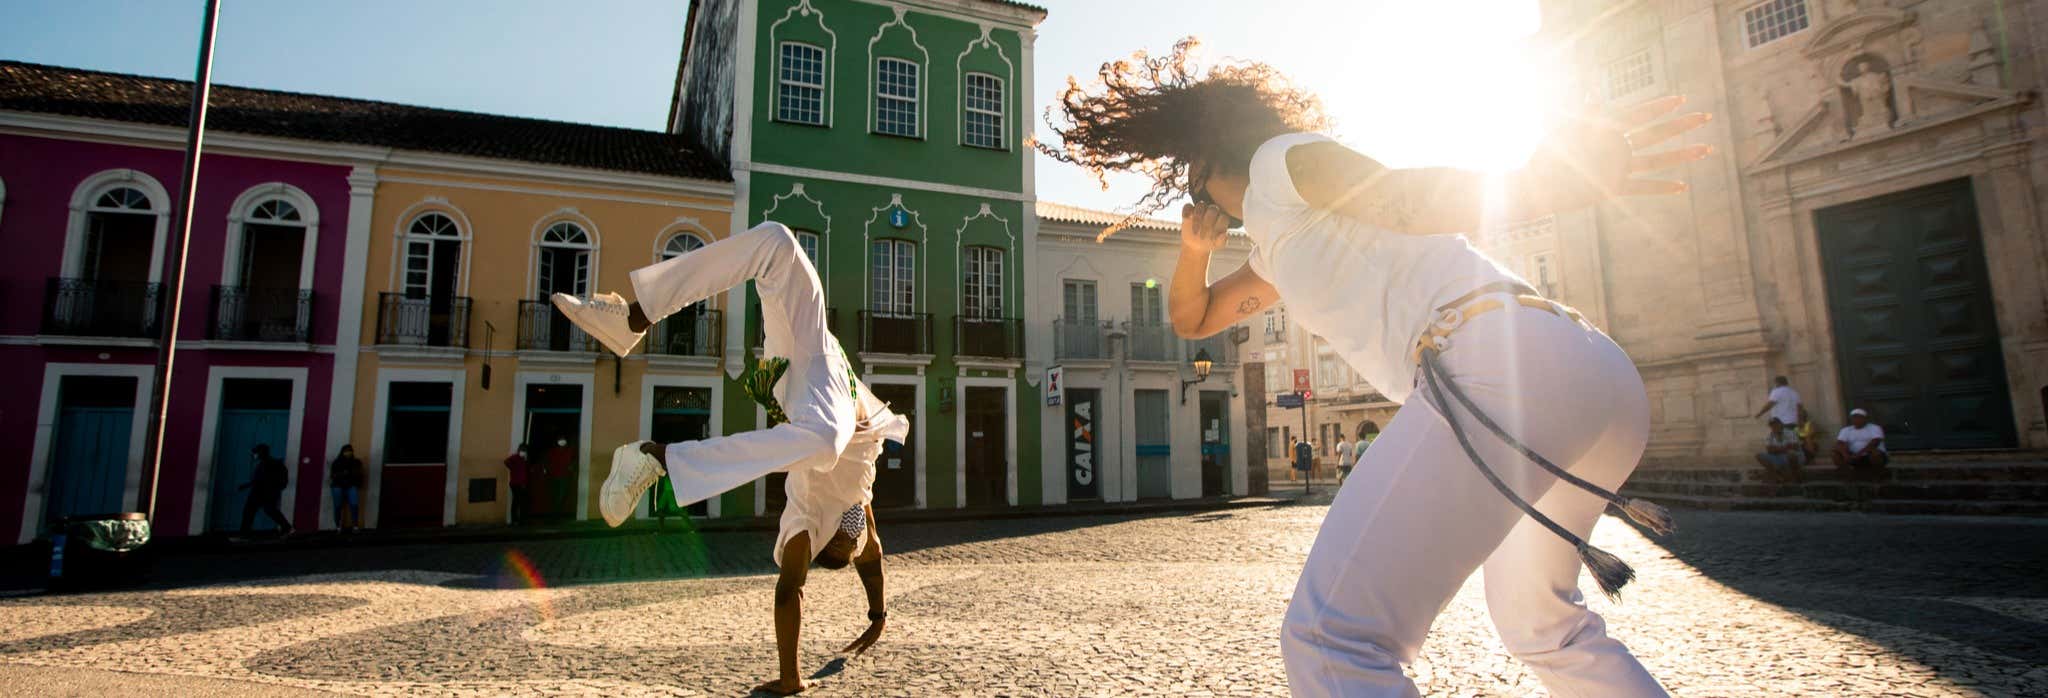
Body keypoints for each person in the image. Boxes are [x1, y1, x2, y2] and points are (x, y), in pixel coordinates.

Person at [1038, 38, 1709, 696]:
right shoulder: (1280, 244)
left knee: (1331, 639)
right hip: (1586, 374)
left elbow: (1400, 200)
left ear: (1214, 152)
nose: (1196, 195)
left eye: (1191, 179)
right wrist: (1193, 249)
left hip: (1507, 368)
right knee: (1544, 625)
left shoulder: (1282, 162)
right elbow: (1192, 319)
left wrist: (1544, 182)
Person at [552, 222, 907, 695]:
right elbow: (875, 561)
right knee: (776, 243)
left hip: (809, 398)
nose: (850, 538)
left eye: (839, 546)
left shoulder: (805, 521)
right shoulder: (859, 519)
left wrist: (790, 677)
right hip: (817, 362)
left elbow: (789, 593)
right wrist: (877, 616)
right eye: (852, 541)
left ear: (825, 545)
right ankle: (632, 317)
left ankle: (657, 458)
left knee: (823, 443)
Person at [239, 443, 293, 536]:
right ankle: (287, 528)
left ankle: (245, 533)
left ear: (261, 453)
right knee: (267, 511)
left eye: (256, 452)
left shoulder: (269, 464)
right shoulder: (266, 463)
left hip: (263, 492)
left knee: (252, 511)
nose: (254, 455)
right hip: (263, 492)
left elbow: (264, 479)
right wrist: (247, 485)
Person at [1833, 408, 1888, 479]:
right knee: (1835, 454)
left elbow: (1875, 442)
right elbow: (1839, 443)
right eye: (1853, 417)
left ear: (1865, 419)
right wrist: (1845, 454)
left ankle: (1877, 476)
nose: (1856, 420)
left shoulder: (1874, 428)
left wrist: (1859, 454)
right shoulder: (1846, 430)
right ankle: (1847, 476)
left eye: (1859, 417)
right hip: (1853, 456)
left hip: (1869, 456)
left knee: (1875, 453)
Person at [1755, 418, 1805, 483]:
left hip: (1795, 456)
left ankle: (1794, 477)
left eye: (1776, 424)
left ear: (1781, 424)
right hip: (1779, 457)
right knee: (1759, 456)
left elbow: (1794, 446)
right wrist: (1784, 448)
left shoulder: (1790, 433)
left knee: (1791, 455)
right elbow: (1769, 450)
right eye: (1772, 425)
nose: (1774, 427)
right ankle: (1777, 477)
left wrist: (1777, 449)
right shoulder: (1770, 436)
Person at [328, 444, 364, 533]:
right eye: (346, 451)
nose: (348, 453)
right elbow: (333, 475)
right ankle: (338, 526)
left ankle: (355, 526)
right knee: (338, 506)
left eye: (350, 451)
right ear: (342, 452)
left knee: (354, 505)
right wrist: (343, 474)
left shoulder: (356, 462)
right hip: (338, 485)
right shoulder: (337, 462)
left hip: (351, 485)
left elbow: (359, 474)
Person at [504, 443, 531, 525]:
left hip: (521, 483)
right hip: (515, 483)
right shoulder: (515, 457)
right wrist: (512, 468)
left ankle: (520, 519)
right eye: (522, 450)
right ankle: (515, 519)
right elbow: (506, 462)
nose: (523, 452)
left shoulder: (524, 459)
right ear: (519, 450)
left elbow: (525, 472)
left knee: (520, 501)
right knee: (516, 501)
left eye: (524, 450)